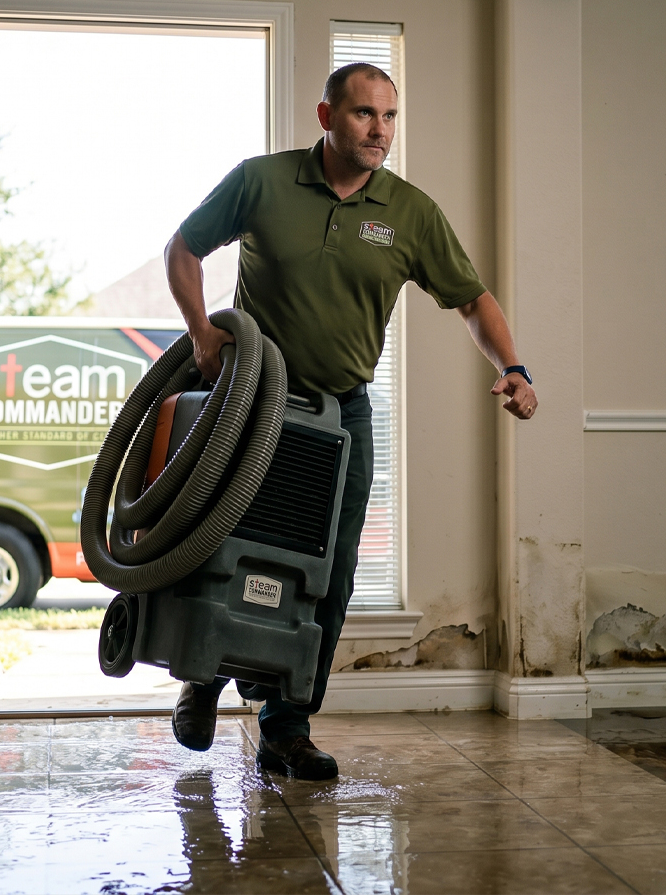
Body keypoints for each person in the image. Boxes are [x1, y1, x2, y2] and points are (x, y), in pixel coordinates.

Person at [164, 62, 537, 780]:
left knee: (325, 573)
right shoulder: (262, 181)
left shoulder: (409, 211)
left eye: (390, 117)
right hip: (251, 399)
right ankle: (203, 678)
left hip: (342, 412)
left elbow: (470, 298)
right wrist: (201, 337)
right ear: (325, 115)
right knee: (224, 543)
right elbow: (184, 248)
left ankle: (288, 724)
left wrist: (514, 368)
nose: (379, 130)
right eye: (365, 114)